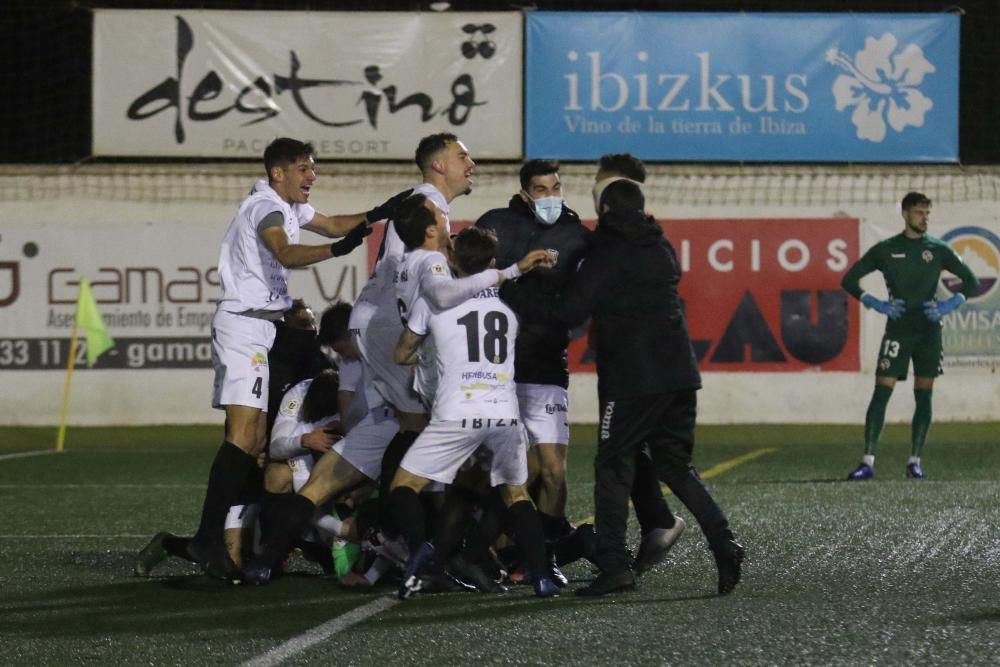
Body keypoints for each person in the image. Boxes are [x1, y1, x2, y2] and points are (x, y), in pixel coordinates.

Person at [501, 179, 744, 596]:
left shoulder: (608, 253)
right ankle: (724, 541)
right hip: (680, 374)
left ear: (608, 208)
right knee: (675, 466)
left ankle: (614, 565)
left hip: (633, 379)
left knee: (613, 466)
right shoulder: (660, 246)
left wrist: (512, 289)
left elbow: (571, 310)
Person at [189, 137, 405, 581]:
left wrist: (378, 213)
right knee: (243, 437)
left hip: (260, 327)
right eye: (304, 169)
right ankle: (207, 538)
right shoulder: (264, 208)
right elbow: (285, 251)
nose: (312, 176)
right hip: (243, 325)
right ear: (277, 173)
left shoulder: (289, 208)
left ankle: (209, 538)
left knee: (250, 440)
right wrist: (339, 250)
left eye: (313, 168)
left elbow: (327, 223)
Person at [387, 226, 560, 600]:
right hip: (503, 415)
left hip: (456, 412)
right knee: (517, 495)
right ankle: (543, 577)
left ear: (451, 261)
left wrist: (429, 355)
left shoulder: (432, 302)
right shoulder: (506, 313)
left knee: (404, 485)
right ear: (493, 263)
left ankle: (422, 558)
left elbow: (401, 355)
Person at [474, 159, 589, 558]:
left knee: (554, 470)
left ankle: (550, 551)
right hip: (497, 370)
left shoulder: (575, 235)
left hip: (545, 366)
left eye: (556, 187)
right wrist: (517, 269)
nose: (551, 196)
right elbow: (468, 272)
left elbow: (587, 296)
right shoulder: (496, 224)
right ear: (525, 193)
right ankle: (508, 551)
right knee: (518, 471)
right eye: (542, 189)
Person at [590, 153, 688, 577]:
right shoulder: (649, 236)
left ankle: (617, 556)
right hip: (644, 361)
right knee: (633, 446)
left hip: (633, 364)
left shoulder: (625, 237)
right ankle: (658, 523)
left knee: (618, 452)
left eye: (601, 184)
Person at [842, 192, 980, 481]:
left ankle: (915, 460)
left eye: (927, 213)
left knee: (924, 394)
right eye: (919, 212)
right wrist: (875, 303)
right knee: (881, 392)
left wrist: (949, 304)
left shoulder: (938, 249)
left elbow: (972, 281)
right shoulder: (886, 249)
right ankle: (867, 461)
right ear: (904, 214)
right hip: (898, 330)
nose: (924, 218)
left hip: (929, 331)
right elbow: (849, 279)